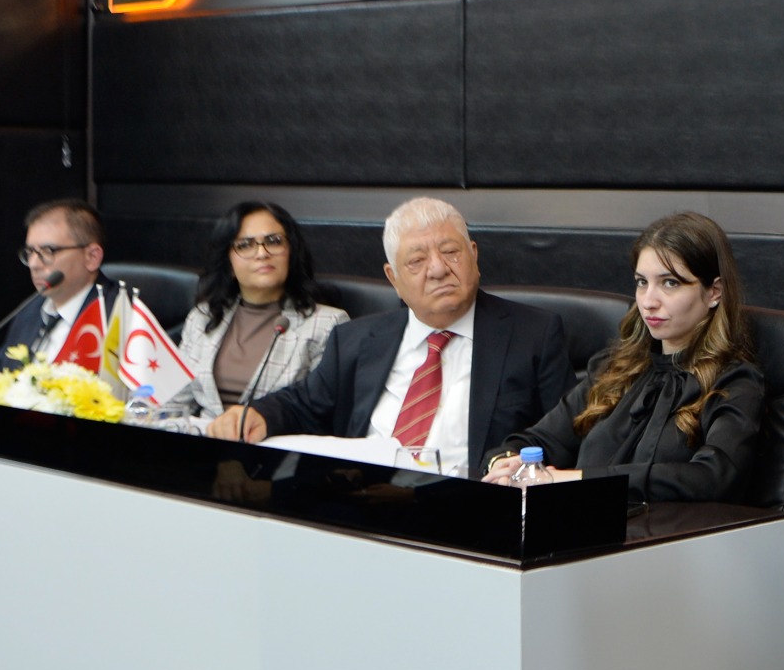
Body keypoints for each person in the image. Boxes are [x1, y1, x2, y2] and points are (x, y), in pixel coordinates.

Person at [208, 197, 569, 477]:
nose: (438, 269)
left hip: (466, 509)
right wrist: (260, 415)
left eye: (451, 252)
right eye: (417, 261)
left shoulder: (534, 335)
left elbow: (565, 437)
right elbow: (303, 404)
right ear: (393, 278)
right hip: (361, 502)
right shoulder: (355, 339)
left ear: (473, 256)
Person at [484, 213, 765, 502]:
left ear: (714, 292)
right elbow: (536, 440)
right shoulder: (615, 367)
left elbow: (713, 478)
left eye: (670, 283)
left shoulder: (735, 381)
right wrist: (504, 464)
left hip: (670, 528)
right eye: (642, 282)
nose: (648, 301)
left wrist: (576, 480)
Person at [169, 202, 348, 419]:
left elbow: (321, 414)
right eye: (245, 245)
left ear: (291, 253)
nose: (262, 253)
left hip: (276, 438)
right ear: (228, 262)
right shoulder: (203, 317)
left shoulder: (327, 324)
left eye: (274, 241)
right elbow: (173, 402)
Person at [0, 199, 116, 369]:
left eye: (48, 251)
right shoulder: (31, 310)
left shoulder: (117, 318)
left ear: (92, 257)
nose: (33, 264)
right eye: (30, 252)